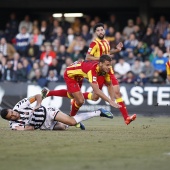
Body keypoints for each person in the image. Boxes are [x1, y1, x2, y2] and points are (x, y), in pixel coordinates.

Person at [85, 23, 136, 125]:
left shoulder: (106, 42)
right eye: (98, 30)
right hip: (99, 72)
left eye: (102, 30)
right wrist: (101, 59)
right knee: (95, 97)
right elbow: (88, 57)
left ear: (104, 31)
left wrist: (117, 50)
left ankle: (126, 118)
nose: (100, 32)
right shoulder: (94, 43)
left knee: (117, 92)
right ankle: (79, 96)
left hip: (109, 70)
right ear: (95, 32)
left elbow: (107, 54)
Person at [0, 94, 113, 131]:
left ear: (11, 109)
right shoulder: (14, 126)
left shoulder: (19, 106)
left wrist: (38, 104)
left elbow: (38, 96)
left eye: (12, 112)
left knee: (72, 121)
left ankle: (99, 112)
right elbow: (30, 129)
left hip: (48, 112)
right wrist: (29, 124)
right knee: (63, 127)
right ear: (10, 120)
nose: (14, 114)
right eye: (12, 116)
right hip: (44, 125)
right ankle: (72, 123)